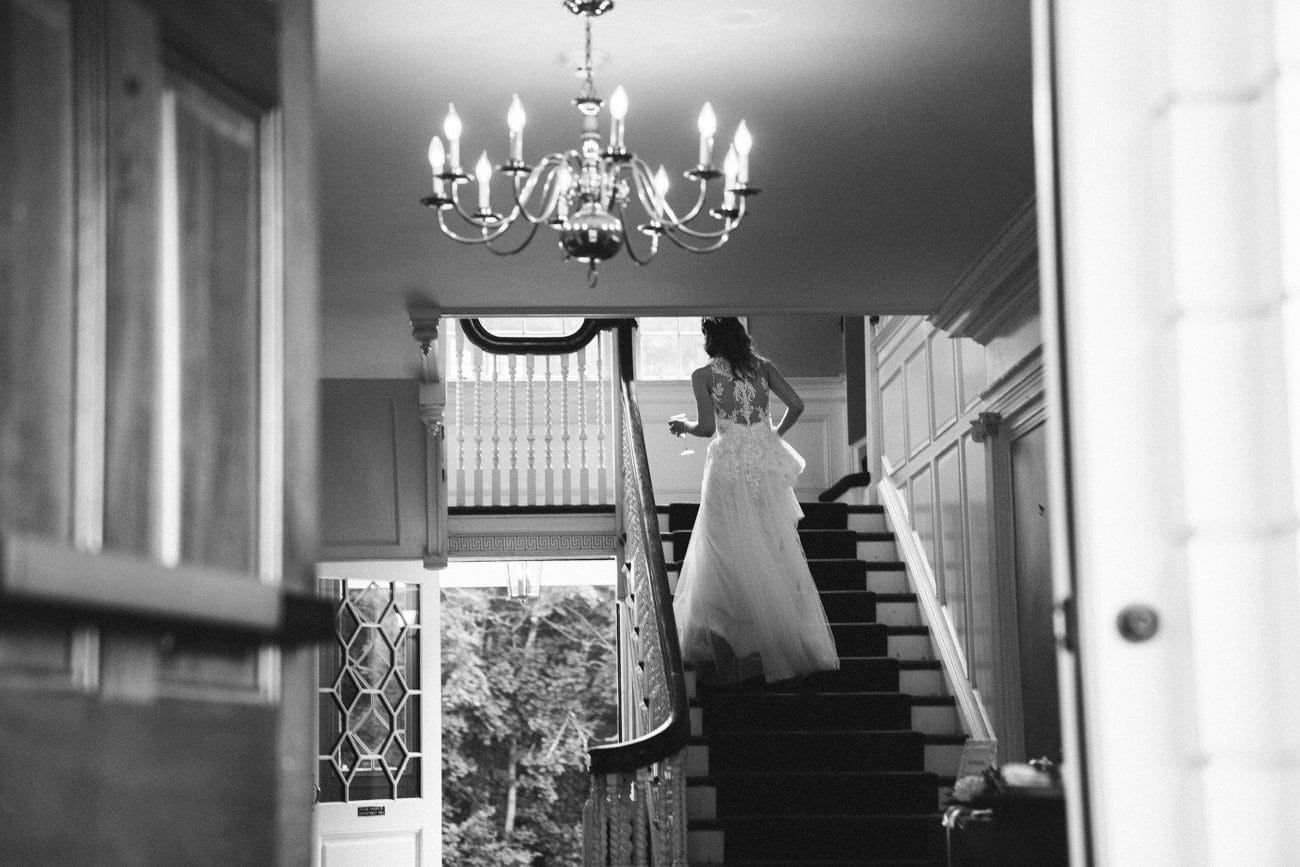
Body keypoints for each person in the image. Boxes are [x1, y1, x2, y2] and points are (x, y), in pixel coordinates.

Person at [667, 317, 840, 684]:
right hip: (761, 465)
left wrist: (682, 427)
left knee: (720, 549)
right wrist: (773, 433)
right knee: (769, 546)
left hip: (727, 466)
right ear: (741, 338)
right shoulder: (764, 369)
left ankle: (730, 658)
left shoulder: (703, 375)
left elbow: (709, 428)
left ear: (710, 340)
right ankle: (766, 646)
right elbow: (797, 404)